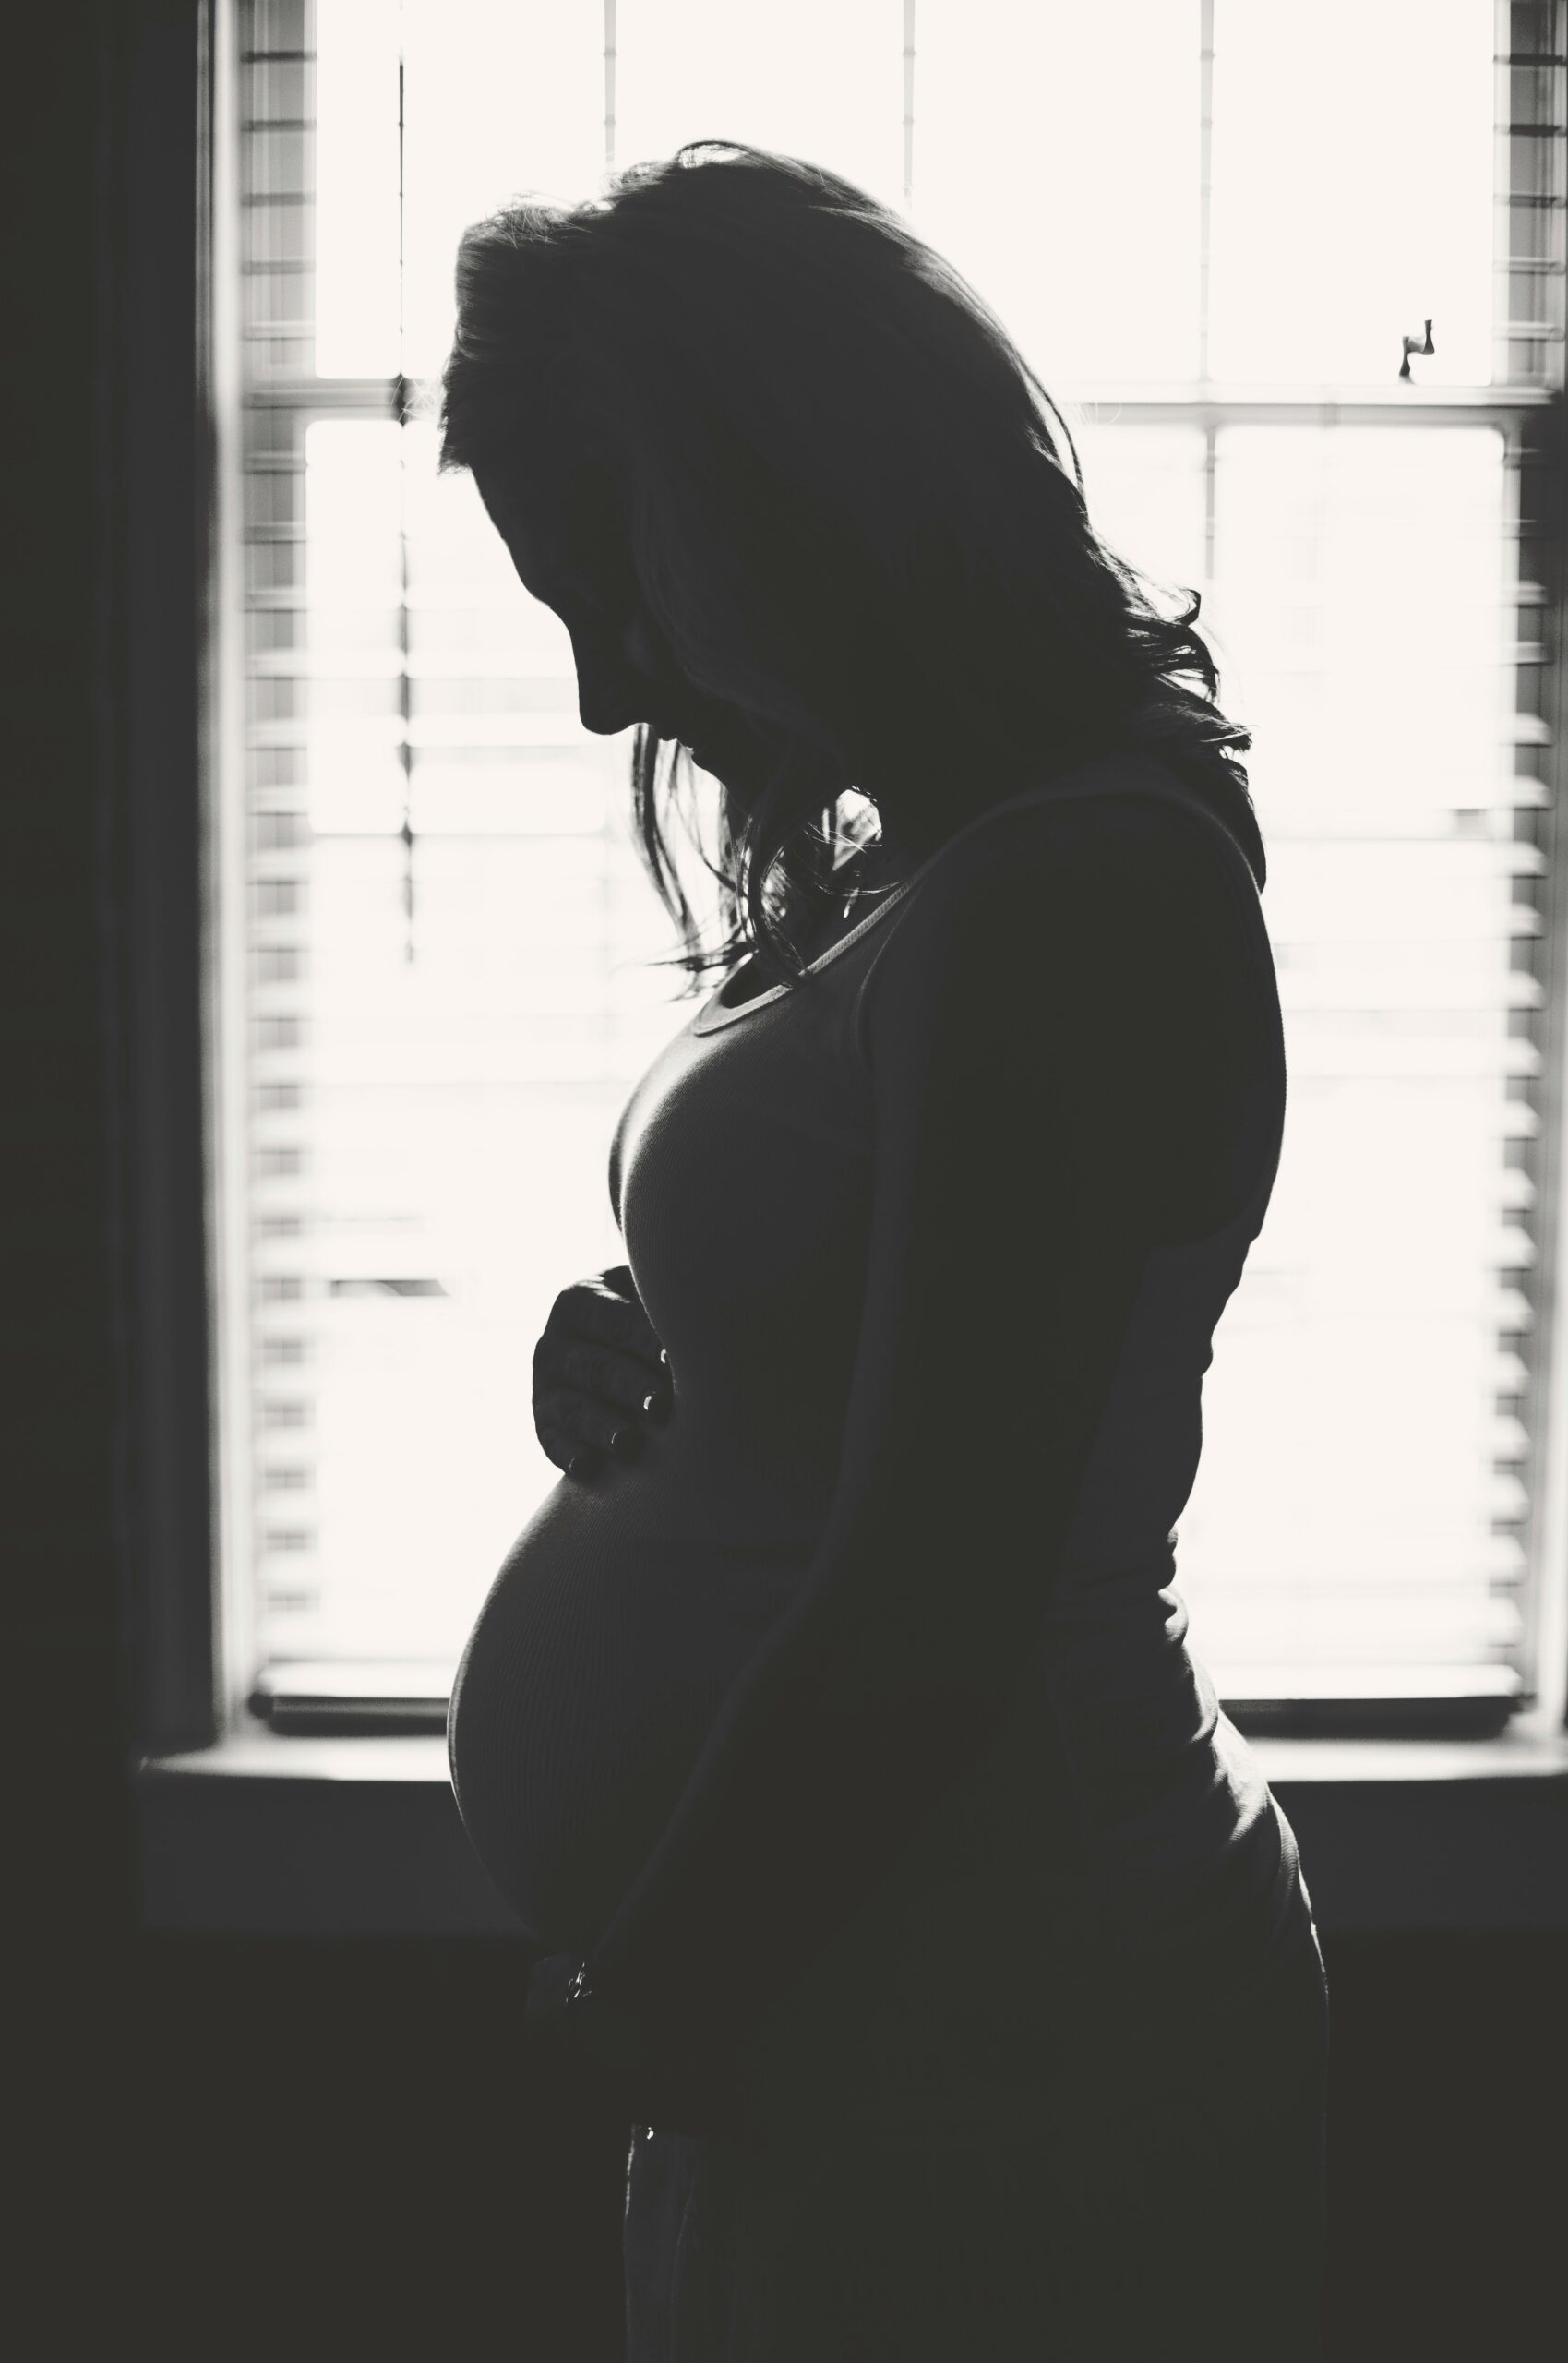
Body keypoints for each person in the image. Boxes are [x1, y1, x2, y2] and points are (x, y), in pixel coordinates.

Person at [440, 141, 1328, 2360]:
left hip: (1015, 2027)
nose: (597, 694)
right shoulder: (935, 859)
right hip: (875, 1998)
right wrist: (689, 1363)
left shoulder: (1068, 897)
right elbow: (912, 1365)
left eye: (605, 595)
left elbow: (933, 1603)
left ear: (779, 496)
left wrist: (622, 2027)